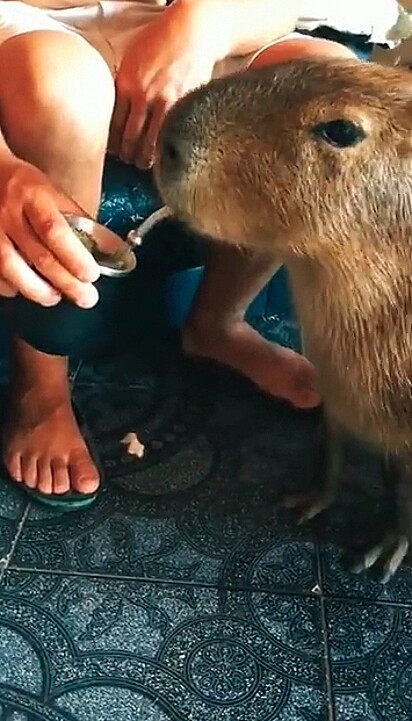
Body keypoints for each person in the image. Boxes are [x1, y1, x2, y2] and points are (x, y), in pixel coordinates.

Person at [0, 0, 399, 505]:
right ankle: (41, 388)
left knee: (323, 83)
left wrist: (201, 23)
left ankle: (218, 323)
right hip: (27, 25)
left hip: (165, 17)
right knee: (61, 89)